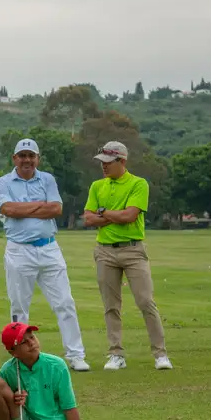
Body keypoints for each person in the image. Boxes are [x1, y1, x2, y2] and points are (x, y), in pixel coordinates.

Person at [0, 138, 90, 371]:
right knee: (19, 307)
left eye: (31, 156)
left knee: (65, 302)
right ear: (14, 158)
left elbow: (56, 209)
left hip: (49, 248)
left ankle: (76, 355)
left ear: (38, 158)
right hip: (19, 250)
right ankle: (21, 356)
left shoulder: (47, 179)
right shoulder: (3, 182)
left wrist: (23, 209)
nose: (27, 160)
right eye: (22, 156)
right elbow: (7, 209)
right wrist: (39, 205)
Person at [82, 141, 173, 371]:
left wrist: (103, 212)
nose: (103, 166)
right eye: (101, 162)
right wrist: (113, 215)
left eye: (108, 162)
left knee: (145, 301)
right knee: (110, 305)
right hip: (104, 250)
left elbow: (130, 216)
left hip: (133, 250)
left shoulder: (138, 184)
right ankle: (116, 354)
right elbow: (88, 219)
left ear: (122, 161)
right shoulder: (97, 186)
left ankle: (160, 354)